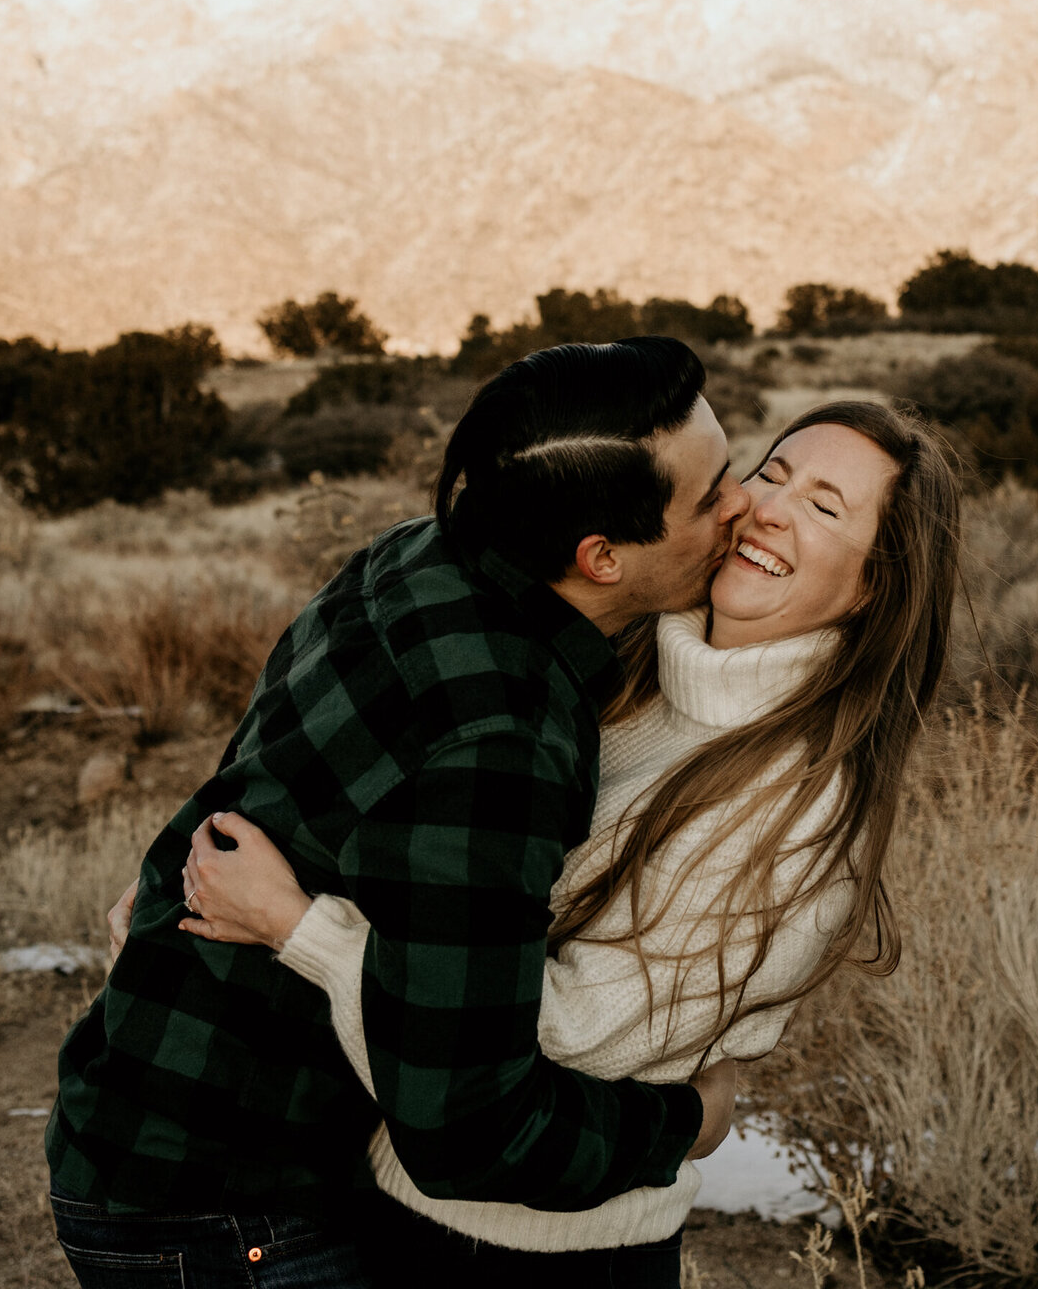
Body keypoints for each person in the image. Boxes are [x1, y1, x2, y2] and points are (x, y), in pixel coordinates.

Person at [161, 400, 961, 1284]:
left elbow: (551, 1038)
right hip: (392, 1190)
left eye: (825, 507)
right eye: (773, 472)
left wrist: (301, 930)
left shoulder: (799, 812)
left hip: (544, 1253)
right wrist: (184, 869)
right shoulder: (617, 665)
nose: (770, 507)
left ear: (873, 586)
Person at [47, 338, 751, 1289]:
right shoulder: (502, 736)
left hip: (141, 1122)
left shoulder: (414, 557)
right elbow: (472, 1128)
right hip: (228, 1203)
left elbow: (275, 776)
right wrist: (687, 1122)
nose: (741, 504)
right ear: (603, 558)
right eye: (710, 496)